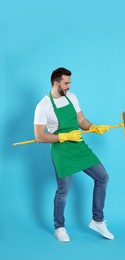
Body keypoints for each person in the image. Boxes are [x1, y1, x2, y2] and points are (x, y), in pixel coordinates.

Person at [34, 67, 114, 242]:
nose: (69, 86)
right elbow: (39, 136)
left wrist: (93, 127)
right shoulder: (43, 106)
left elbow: (81, 120)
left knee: (102, 177)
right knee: (64, 190)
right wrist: (63, 136)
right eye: (66, 83)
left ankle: (97, 220)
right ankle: (59, 227)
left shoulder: (72, 97)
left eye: (70, 82)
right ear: (56, 83)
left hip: (78, 146)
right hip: (61, 150)